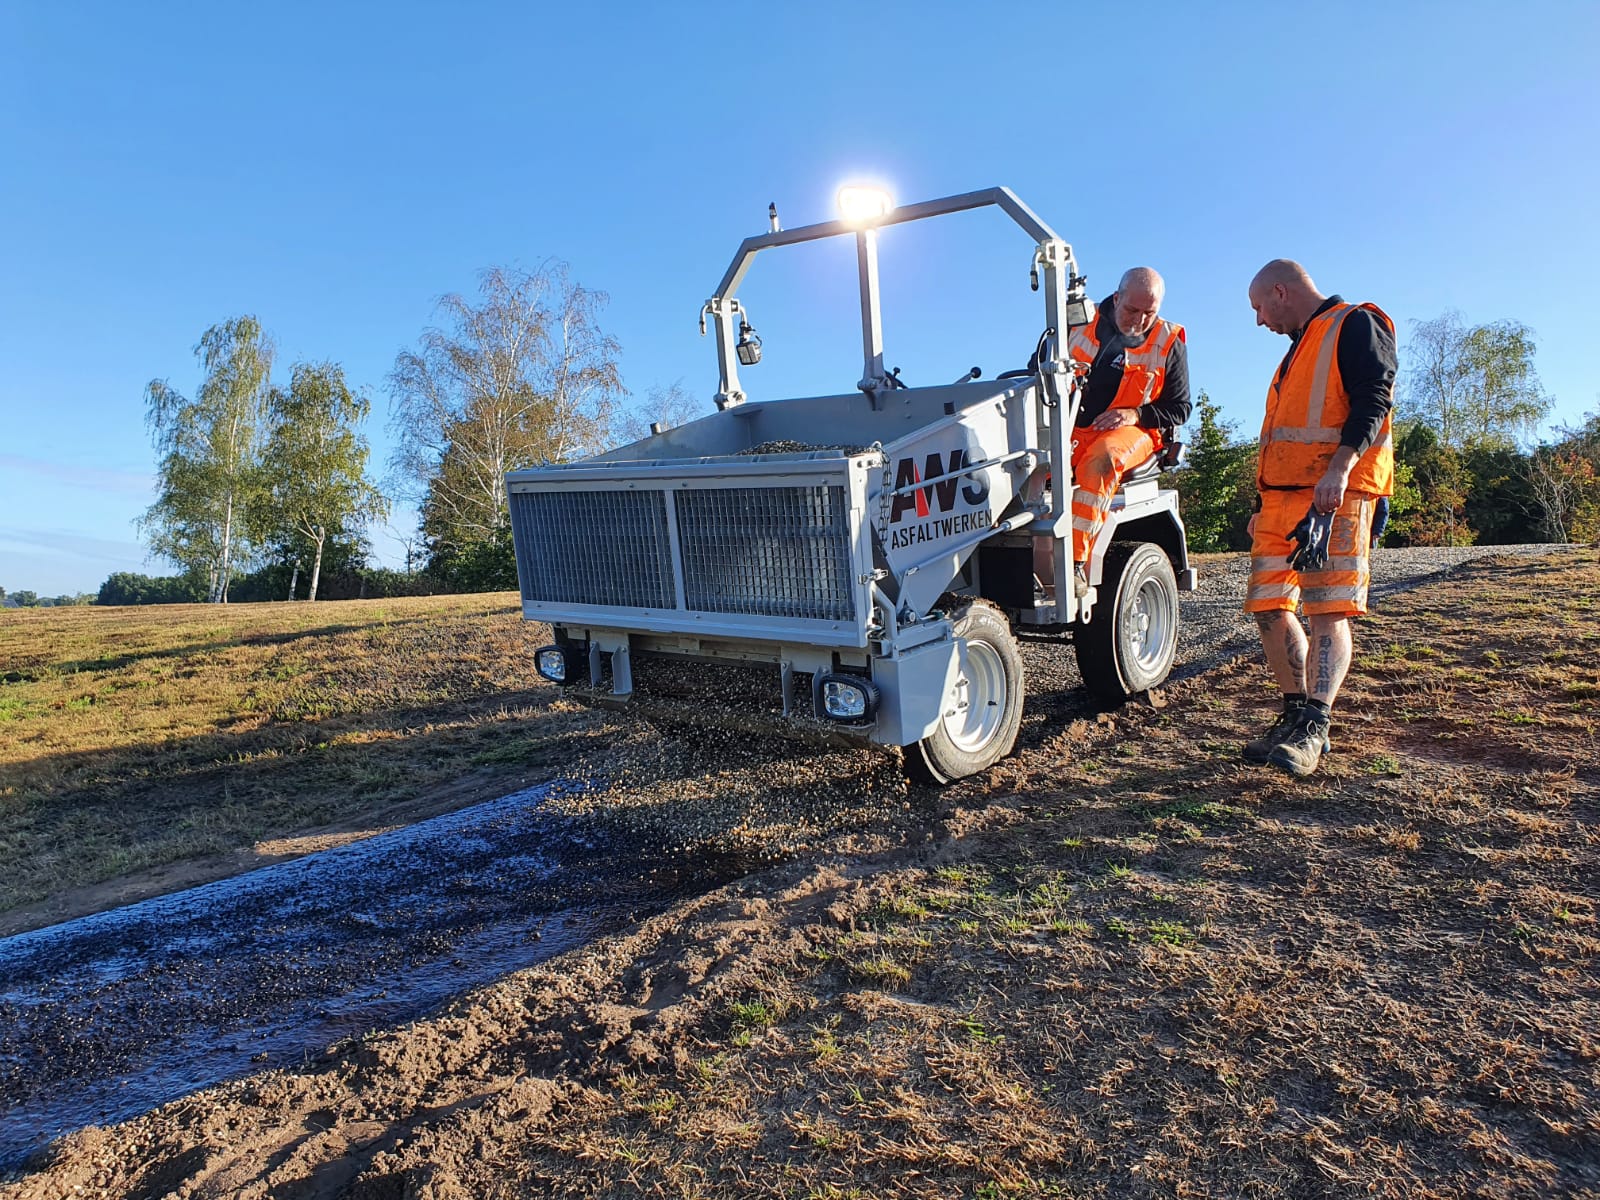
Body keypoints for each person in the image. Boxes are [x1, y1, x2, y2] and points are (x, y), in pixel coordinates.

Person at [1242, 260, 1396, 776]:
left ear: (1281, 292)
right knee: (1269, 605)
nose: (1259, 321)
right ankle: (1293, 714)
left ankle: (1316, 723)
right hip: (1280, 500)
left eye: (1260, 308)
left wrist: (1339, 469)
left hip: (1334, 493)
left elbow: (1374, 398)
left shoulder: (1355, 323)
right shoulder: (1298, 349)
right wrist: (1259, 503)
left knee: (1327, 608)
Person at [1064, 267, 1191, 592]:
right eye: (1132, 310)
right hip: (1073, 427)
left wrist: (1135, 414)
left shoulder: (1169, 340)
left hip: (1137, 431)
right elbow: (1038, 369)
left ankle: (1074, 563)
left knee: (1101, 460)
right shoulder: (1078, 323)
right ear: (1116, 298)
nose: (1139, 320)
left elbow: (1180, 407)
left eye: (1149, 313)